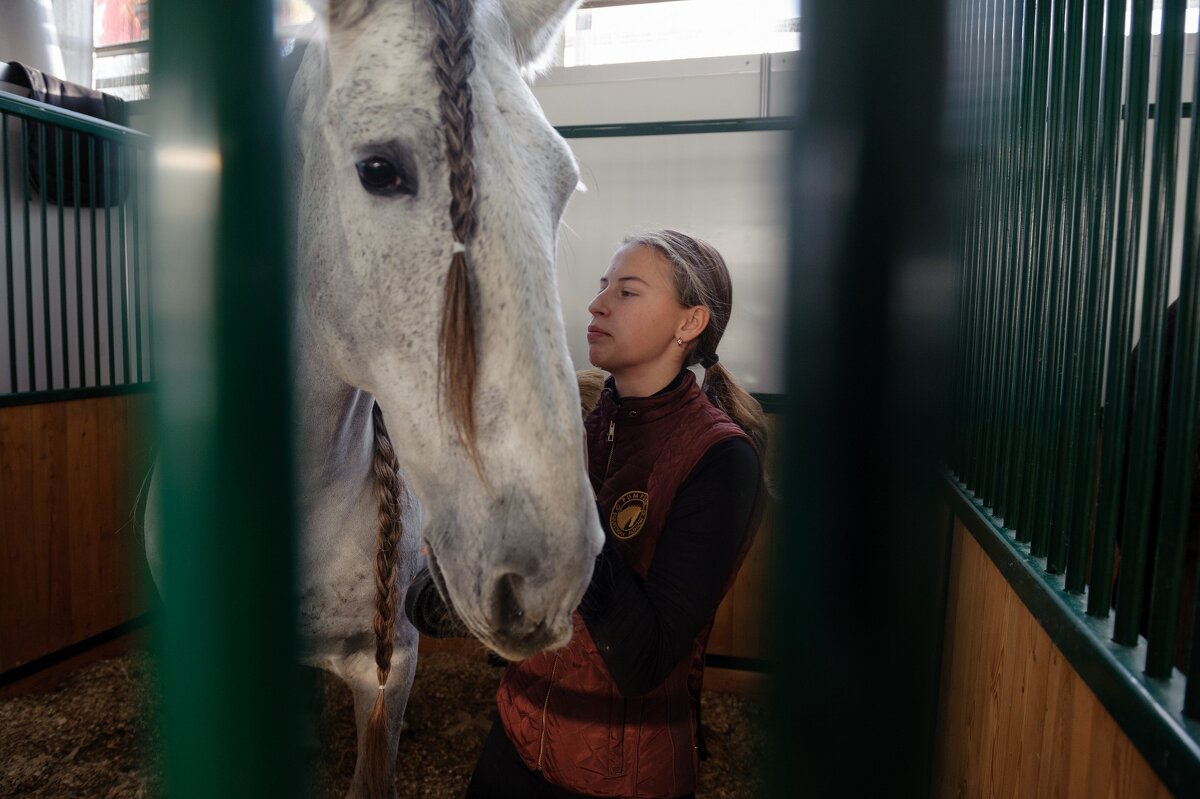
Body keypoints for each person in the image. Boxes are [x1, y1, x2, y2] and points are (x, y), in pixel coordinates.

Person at [405, 229, 768, 798]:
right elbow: (436, 605)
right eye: (602, 287)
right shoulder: (578, 429)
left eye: (627, 291)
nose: (597, 303)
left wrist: (565, 505)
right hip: (516, 740)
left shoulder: (720, 460)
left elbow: (642, 663)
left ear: (689, 323)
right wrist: (459, 563)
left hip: (622, 776)